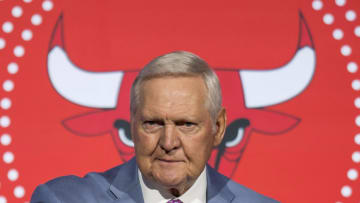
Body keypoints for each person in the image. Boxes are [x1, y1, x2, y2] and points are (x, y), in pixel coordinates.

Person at [30, 51, 279, 203]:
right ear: (133, 125)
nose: (169, 142)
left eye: (187, 125)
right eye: (152, 123)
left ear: (218, 127)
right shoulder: (64, 200)